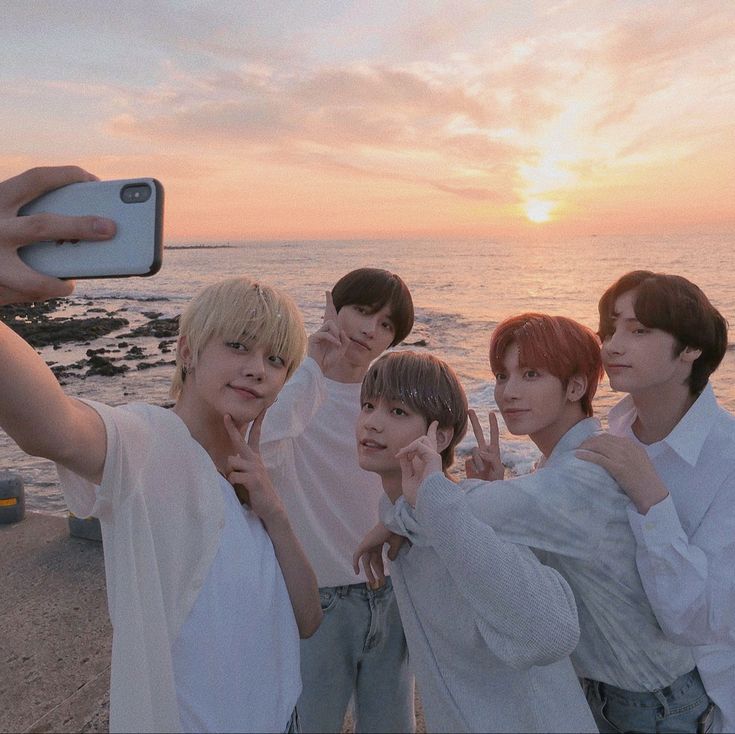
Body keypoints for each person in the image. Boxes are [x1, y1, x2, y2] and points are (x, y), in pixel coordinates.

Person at [0, 166, 322, 734]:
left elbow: (307, 619)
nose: (257, 368)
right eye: (238, 345)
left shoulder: (253, 470)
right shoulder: (150, 441)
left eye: (276, 360)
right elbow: (51, 427)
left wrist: (273, 511)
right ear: (188, 352)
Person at [377, 313, 708, 733]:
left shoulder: (578, 478)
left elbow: (449, 511)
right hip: (620, 696)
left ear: (575, 386)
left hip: (653, 709)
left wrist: (392, 515)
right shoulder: (554, 467)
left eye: (531, 374)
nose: (508, 392)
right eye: (502, 375)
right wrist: (495, 486)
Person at [352, 350, 596, 733]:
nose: (372, 423)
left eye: (397, 411)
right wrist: (397, 519)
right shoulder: (411, 520)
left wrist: (431, 508)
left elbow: (555, 632)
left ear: (441, 436)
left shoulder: (467, 519)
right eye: (368, 406)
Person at [259, 268, 416, 733]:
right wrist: (313, 366)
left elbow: (415, 486)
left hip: (390, 592)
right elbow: (259, 447)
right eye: (363, 312)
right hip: (318, 599)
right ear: (334, 307)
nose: (371, 330)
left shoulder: (395, 400)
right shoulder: (291, 389)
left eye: (387, 324)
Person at [577, 271, 733, 733]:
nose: (612, 346)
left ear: (690, 349)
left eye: (639, 330)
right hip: (607, 690)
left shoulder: (727, 458)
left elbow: (698, 619)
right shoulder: (619, 434)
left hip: (696, 707)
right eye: (611, 329)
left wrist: (652, 499)